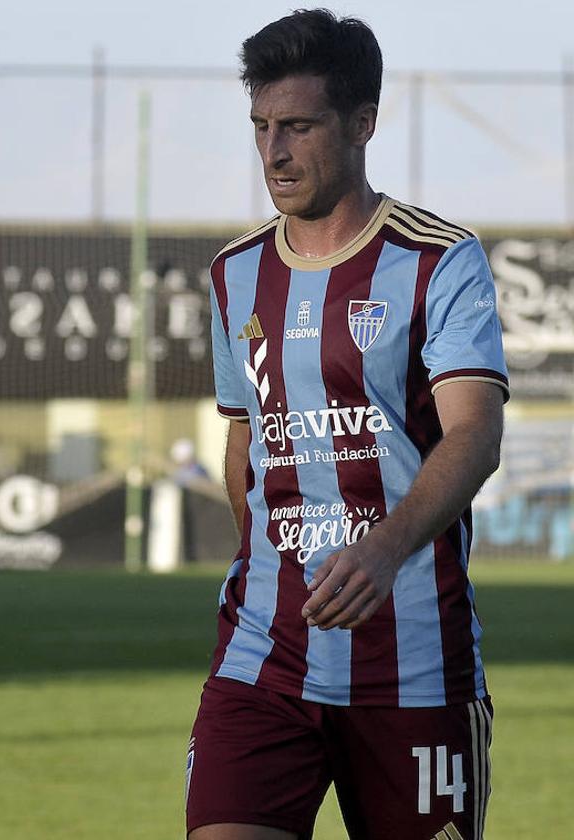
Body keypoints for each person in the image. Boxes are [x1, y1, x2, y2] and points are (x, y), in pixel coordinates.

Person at [189, 11, 506, 840]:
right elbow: (242, 440)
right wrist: (266, 564)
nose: (274, 152)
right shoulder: (233, 275)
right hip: (264, 656)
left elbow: (474, 434)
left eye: (298, 125)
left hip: (416, 669)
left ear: (363, 123)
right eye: (261, 127)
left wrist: (385, 546)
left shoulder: (440, 259)